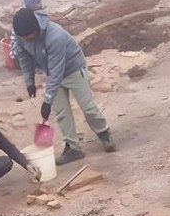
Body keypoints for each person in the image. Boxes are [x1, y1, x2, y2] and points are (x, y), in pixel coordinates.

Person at [12, 8, 116, 165]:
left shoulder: (55, 36)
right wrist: (29, 82)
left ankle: (103, 132)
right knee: (61, 112)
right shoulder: (22, 36)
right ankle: (73, 147)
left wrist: (47, 100)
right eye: (23, 37)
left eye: (28, 37)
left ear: (36, 28)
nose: (26, 40)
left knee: (88, 107)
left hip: (72, 69)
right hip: (52, 71)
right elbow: (24, 57)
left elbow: (56, 71)